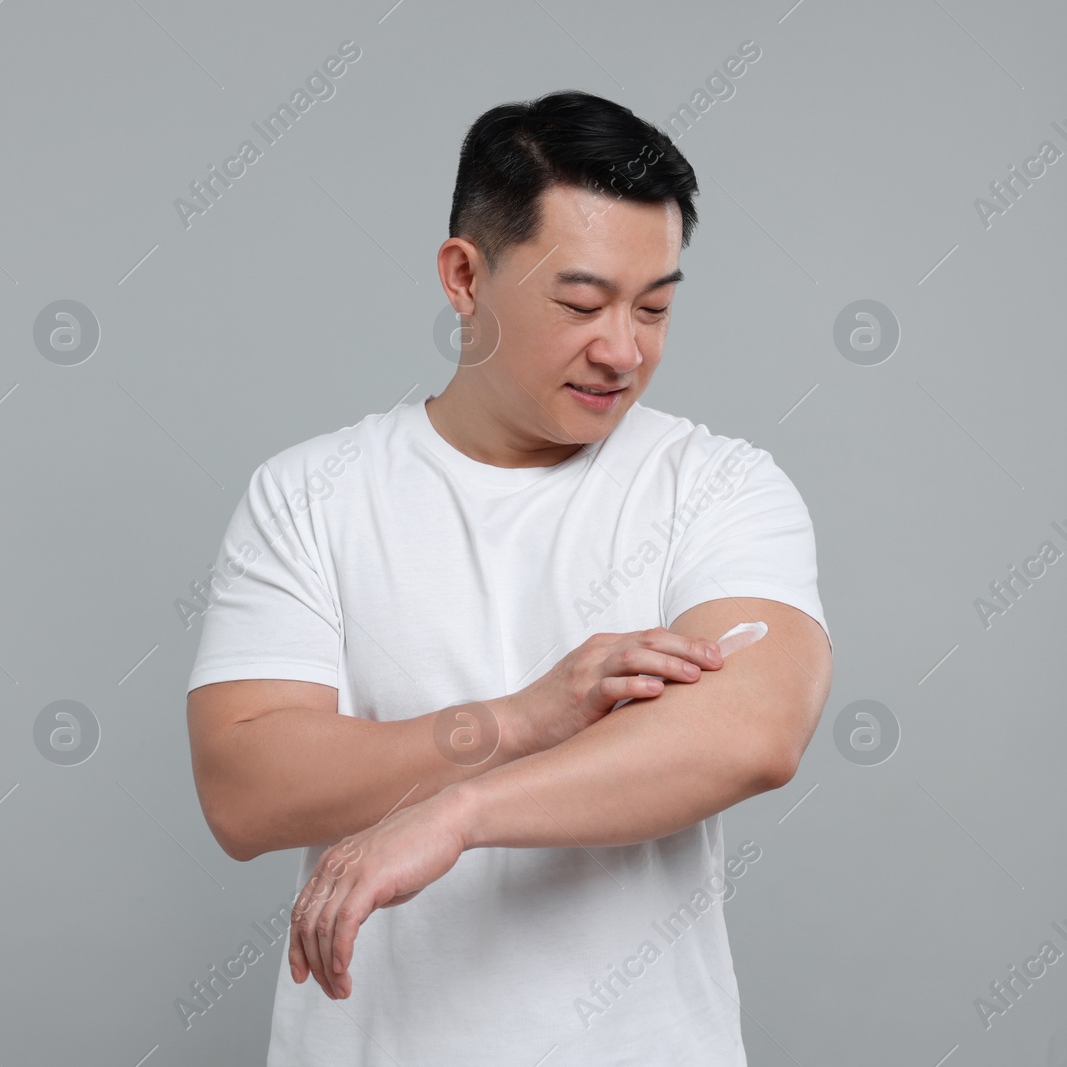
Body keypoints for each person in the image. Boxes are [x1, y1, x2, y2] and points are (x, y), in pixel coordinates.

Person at [184, 89, 833, 1066]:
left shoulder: (718, 485)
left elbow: (750, 730)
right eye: (579, 303)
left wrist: (457, 814)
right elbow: (245, 787)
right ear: (463, 277)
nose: (622, 349)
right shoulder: (311, 493)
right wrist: (517, 720)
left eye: (653, 306)